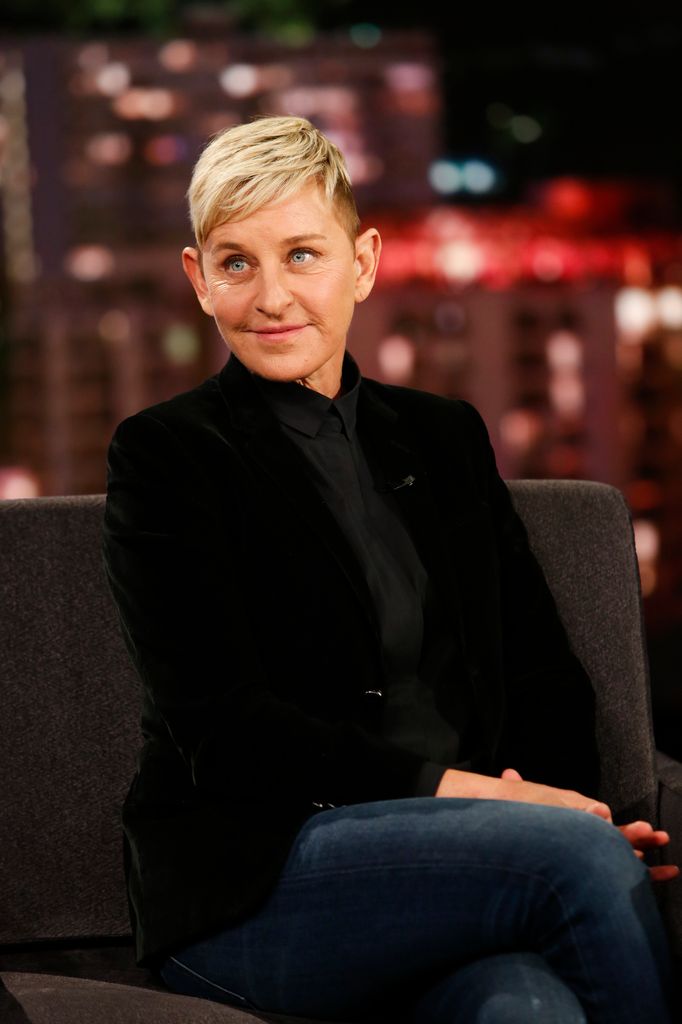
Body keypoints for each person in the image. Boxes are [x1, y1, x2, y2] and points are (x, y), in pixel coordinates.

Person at [102, 115, 677, 1024]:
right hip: (257, 883)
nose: (270, 296)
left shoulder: (444, 436)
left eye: (302, 254)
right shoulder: (165, 455)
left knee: (526, 1012)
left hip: (464, 862)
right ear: (198, 281)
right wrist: (513, 819)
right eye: (235, 262)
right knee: (573, 862)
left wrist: (573, 808)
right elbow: (223, 726)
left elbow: (539, 674)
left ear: (363, 263)